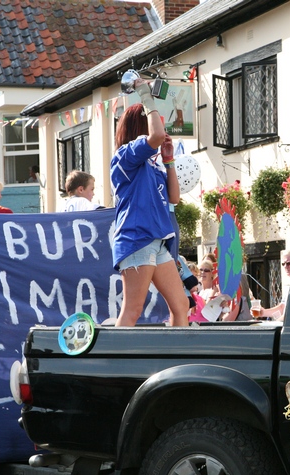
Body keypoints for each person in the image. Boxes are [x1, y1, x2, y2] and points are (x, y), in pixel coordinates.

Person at [110, 80, 189, 328]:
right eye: (154, 119)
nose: (161, 128)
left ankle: (178, 361)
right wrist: (145, 95)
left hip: (156, 241)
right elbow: (154, 135)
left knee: (181, 305)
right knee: (132, 310)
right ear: (141, 124)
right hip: (137, 238)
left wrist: (169, 160)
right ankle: (113, 366)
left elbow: (174, 197)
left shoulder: (151, 165)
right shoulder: (125, 155)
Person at [260, 249, 290, 319]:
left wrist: (278, 322)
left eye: (288, 263)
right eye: (283, 264)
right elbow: (282, 308)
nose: (285, 266)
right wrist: (262, 312)